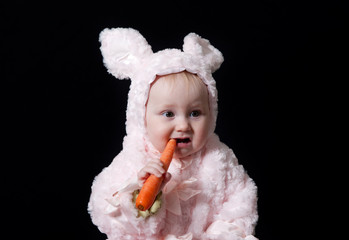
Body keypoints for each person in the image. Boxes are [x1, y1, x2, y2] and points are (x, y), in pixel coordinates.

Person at [88, 27, 258, 240]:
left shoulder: (219, 159)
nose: (183, 125)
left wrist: (221, 235)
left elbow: (240, 203)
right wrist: (141, 197)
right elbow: (106, 211)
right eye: (168, 113)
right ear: (142, 117)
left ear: (211, 112)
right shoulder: (134, 158)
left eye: (195, 113)